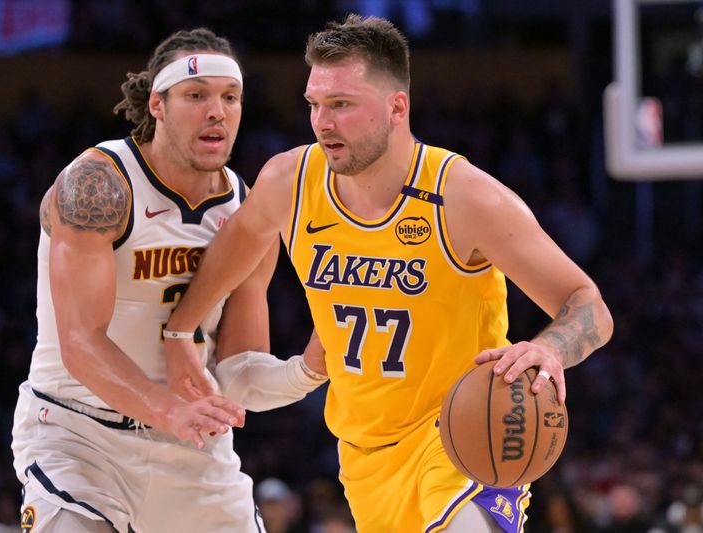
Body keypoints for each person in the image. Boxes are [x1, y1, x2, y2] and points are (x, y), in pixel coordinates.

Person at [163, 15, 613, 533]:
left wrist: (550, 349)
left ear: (397, 107)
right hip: (364, 455)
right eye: (314, 104)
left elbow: (589, 305)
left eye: (342, 105)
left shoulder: (463, 197)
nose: (322, 122)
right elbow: (232, 252)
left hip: (464, 435)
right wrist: (180, 328)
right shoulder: (291, 181)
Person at [11, 28, 326, 533]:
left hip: (192, 451)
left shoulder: (249, 214)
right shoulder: (98, 184)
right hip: (79, 435)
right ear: (157, 104)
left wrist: (306, 371)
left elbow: (235, 375)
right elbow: (79, 342)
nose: (216, 111)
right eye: (196, 96)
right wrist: (166, 410)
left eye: (230, 97)